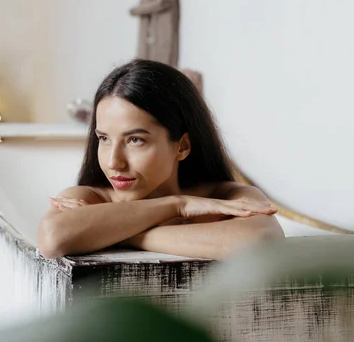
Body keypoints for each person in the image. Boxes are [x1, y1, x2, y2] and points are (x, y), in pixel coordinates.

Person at [38, 59, 284, 259]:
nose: (114, 162)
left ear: (182, 146)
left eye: (135, 140)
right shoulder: (86, 197)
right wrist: (177, 204)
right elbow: (53, 239)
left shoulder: (227, 198)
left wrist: (113, 231)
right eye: (104, 139)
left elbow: (261, 241)